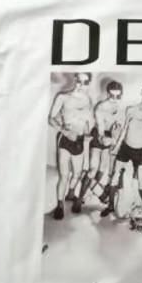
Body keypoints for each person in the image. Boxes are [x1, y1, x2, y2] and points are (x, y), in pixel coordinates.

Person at [101, 81, 142, 217]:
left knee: (140, 180)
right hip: (125, 147)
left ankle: (141, 207)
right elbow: (124, 130)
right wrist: (116, 147)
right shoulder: (131, 109)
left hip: (140, 150)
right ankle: (110, 206)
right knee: (114, 176)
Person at [48, 72, 94, 219]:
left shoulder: (87, 99)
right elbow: (50, 118)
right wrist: (65, 132)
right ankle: (59, 205)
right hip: (65, 139)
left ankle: (71, 193)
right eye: (79, 81)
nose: (81, 85)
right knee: (64, 175)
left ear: (88, 83)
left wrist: (87, 134)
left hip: (79, 140)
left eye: (85, 82)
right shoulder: (63, 97)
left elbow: (87, 122)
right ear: (75, 80)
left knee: (77, 174)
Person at [76, 80, 124, 204]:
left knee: (102, 170)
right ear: (107, 94)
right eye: (112, 96)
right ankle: (79, 200)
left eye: (118, 96)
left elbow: (119, 128)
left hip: (110, 136)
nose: (114, 99)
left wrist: (114, 138)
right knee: (93, 170)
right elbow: (101, 130)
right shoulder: (100, 107)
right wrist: (107, 138)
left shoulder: (120, 107)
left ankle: (89, 192)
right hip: (98, 135)